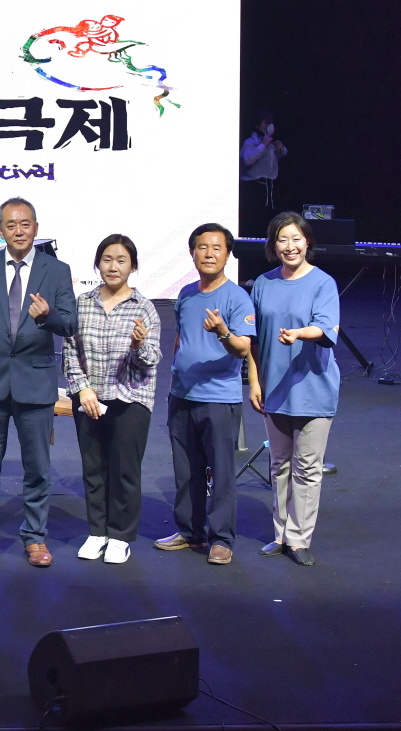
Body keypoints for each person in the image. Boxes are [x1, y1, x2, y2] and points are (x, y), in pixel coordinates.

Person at [0, 197, 76, 568]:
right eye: (11, 225)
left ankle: (35, 538)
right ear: (0, 230)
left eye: (25, 224)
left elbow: (69, 324)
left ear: (36, 228)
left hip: (35, 381)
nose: (19, 231)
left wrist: (47, 316)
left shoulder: (57, 270)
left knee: (37, 468)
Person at [157, 223, 255, 565]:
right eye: (202, 247)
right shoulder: (186, 294)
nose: (209, 253)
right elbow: (181, 338)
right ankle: (190, 532)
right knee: (186, 469)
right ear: (192, 252)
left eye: (216, 248)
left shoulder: (237, 297)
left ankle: (222, 539)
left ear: (227, 255)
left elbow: (243, 348)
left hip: (218, 398)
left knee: (222, 472)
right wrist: (175, 375)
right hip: (182, 395)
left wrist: (223, 331)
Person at [247, 212, 340, 567]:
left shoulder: (322, 283)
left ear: (307, 242)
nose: (290, 246)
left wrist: (300, 333)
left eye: (296, 239)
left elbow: (324, 328)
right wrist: (255, 380)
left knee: (307, 468)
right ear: (273, 246)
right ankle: (280, 535)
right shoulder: (263, 284)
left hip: (313, 387)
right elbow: (253, 340)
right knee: (279, 465)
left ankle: (299, 539)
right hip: (274, 387)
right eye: (282, 240)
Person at [63, 234, 161, 565]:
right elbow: (69, 350)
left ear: (133, 266)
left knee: (124, 470)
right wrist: (83, 389)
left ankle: (120, 536)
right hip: (89, 397)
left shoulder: (144, 308)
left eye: (121, 260)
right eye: (107, 259)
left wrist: (138, 346)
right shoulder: (82, 303)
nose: (113, 266)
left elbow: (151, 360)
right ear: (97, 264)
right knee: (93, 468)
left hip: (130, 398)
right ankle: (97, 532)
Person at [239, 109, 288, 236]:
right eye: (266, 123)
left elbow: (276, 158)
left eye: (270, 122)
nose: (270, 126)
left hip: (268, 188)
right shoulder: (250, 142)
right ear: (257, 125)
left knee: (269, 222)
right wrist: (262, 145)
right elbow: (247, 159)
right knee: (255, 221)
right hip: (254, 188)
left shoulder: (269, 143)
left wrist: (280, 149)